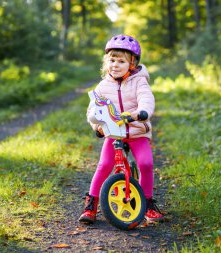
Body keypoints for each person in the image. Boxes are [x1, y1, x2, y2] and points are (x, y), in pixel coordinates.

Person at [78, 34, 164, 223]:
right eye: (112, 60)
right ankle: (91, 205)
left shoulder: (139, 81)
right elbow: (93, 109)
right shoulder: (102, 86)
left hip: (136, 131)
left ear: (132, 64)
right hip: (114, 133)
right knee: (104, 166)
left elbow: (146, 99)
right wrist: (96, 125)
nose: (115, 65)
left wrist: (142, 112)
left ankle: (148, 204)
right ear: (106, 62)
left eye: (121, 61)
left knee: (146, 164)